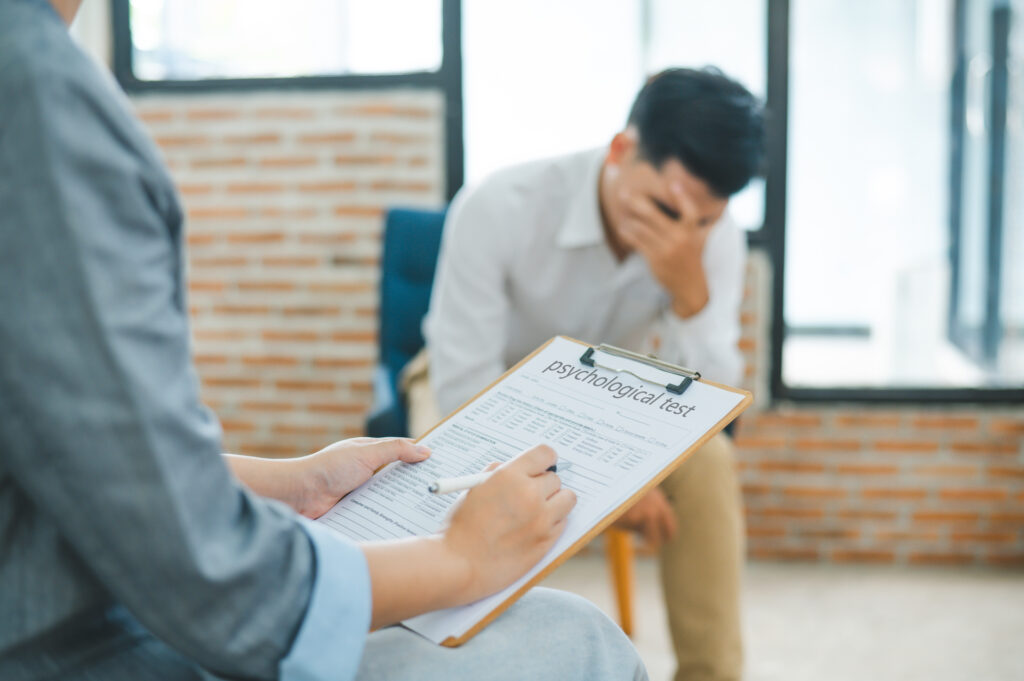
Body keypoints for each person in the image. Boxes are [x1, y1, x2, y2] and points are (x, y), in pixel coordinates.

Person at [0, 1, 648, 680]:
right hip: (82, 648)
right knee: (579, 641)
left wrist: (292, 482)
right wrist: (460, 556)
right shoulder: (41, 106)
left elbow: (79, 456)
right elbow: (213, 578)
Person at [408, 67, 765, 681]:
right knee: (433, 472)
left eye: (704, 222)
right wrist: (600, 489)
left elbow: (717, 409)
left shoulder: (709, 239)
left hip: (609, 400)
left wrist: (691, 296)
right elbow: (460, 384)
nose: (684, 235)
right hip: (476, 387)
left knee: (710, 465)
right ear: (621, 151)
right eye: (665, 208)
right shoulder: (499, 206)